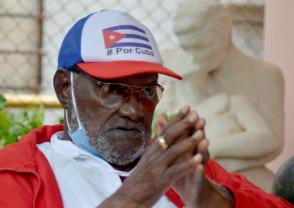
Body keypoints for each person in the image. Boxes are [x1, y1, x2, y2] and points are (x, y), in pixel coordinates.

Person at [0, 10, 292, 208]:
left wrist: (207, 197)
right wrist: (134, 196)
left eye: (147, 91)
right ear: (65, 89)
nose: (134, 110)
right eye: (112, 90)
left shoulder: (176, 165)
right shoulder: (17, 174)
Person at [158, 0, 284, 191]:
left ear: (223, 32)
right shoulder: (177, 67)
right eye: (186, 48)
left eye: (199, 47)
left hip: (246, 185)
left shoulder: (264, 75)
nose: (192, 57)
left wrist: (211, 149)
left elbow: (271, 142)